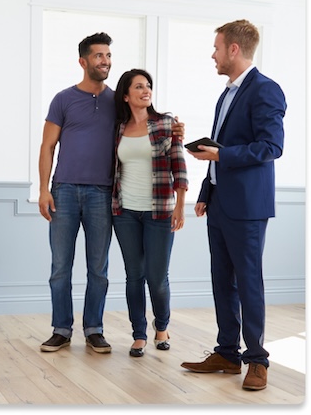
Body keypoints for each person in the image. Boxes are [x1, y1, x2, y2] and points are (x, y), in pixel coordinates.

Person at [38, 32, 186, 354]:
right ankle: (61, 329)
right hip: (63, 190)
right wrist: (43, 189)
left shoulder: (117, 102)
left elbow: (148, 126)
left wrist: (175, 128)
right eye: (98, 56)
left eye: (108, 55)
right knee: (60, 266)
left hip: (103, 194)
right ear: (83, 61)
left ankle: (94, 329)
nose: (105, 61)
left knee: (98, 268)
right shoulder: (63, 99)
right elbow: (48, 146)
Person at [180, 20, 286, 391]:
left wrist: (221, 157)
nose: (213, 54)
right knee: (222, 281)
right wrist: (207, 191)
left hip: (248, 206)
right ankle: (227, 352)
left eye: (217, 47)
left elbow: (271, 147)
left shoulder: (266, 90)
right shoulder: (226, 94)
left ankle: (257, 360)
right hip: (220, 202)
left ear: (234, 50)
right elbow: (220, 149)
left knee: (248, 282)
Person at [112, 69, 188, 358]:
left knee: (157, 278)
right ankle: (139, 334)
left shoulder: (166, 125)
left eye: (149, 86)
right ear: (126, 95)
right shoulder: (117, 128)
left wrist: (180, 205)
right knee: (134, 275)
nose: (146, 91)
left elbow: (179, 167)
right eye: (139, 87)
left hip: (159, 212)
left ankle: (163, 327)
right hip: (125, 212)